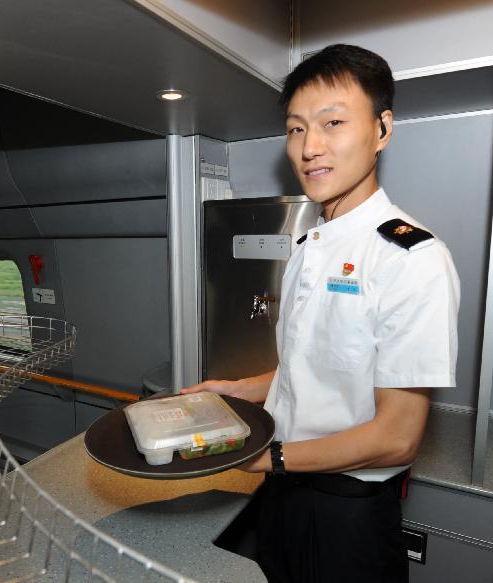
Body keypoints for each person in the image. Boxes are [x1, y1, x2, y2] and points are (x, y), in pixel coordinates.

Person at [182, 44, 460, 583]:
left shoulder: (412, 259)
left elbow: (398, 436)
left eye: (333, 122)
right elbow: (315, 365)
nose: (311, 147)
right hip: (284, 492)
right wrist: (243, 389)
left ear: (382, 129)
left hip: (347, 512)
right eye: (296, 129)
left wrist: (267, 458)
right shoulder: (311, 244)